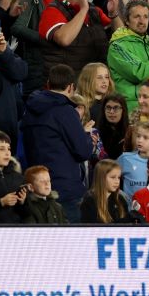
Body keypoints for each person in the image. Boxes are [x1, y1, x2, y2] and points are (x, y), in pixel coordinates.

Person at [22, 65, 95, 222]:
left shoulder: (30, 110)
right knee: (72, 243)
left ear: (48, 84)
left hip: (38, 187)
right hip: (66, 190)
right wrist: (87, 136)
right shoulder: (65, 111)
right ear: (70, 87)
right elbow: (83, 150)